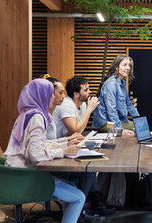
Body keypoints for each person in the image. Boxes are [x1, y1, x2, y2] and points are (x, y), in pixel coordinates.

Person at [3, 79, 85, 223]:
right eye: (51, 94)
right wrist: (63, 152)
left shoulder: (27, 114)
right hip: (26, 178)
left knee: (71, 186)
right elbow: (35, 154)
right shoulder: (37, 117)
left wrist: (65, 144)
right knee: (79, 198)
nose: (54, 97)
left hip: (16, 174)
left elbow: (41, 145)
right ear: (43, 96)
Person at [52, 75, 116, 216]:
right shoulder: (67, 105)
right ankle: (83, 208)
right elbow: (75, 129)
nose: (89, 93)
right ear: (76, 94)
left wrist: (87, 109)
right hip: (57, 152)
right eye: (86, 90)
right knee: (89, 168)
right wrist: (89, 110)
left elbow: (77, 132)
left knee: (91, 162)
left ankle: (93, 202)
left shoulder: (82, 105)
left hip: (65, 146)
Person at [92, 54, 139, 133]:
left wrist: (139, 118)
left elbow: (128, 103)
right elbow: (111, 110)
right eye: (124, 65)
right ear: (116, 67)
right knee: (137, 127)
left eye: (129, 65)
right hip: (106, 123)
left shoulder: (122, 81)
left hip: (120, 120)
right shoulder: (111, 84)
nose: (128, 68)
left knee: (140, 125)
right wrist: (120, 130)